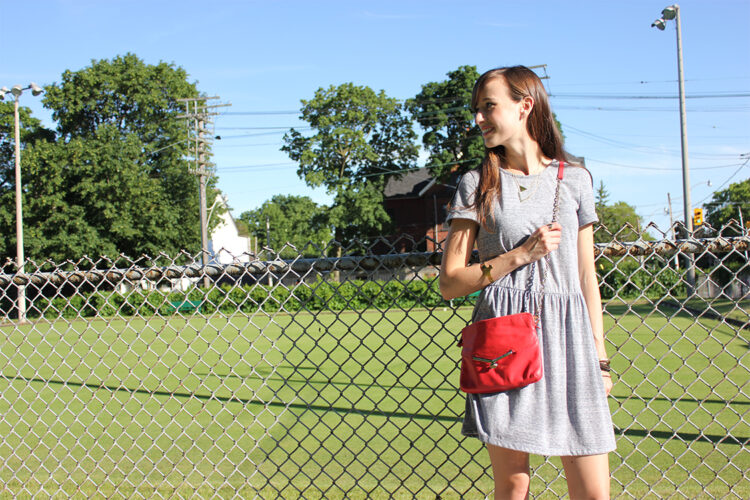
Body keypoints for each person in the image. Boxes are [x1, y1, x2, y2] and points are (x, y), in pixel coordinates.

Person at [439, 66, 616, 500]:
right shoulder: (476, 183)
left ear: (525, 105)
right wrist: (518, 256)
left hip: (571, 341)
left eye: (488, 107)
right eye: (476, 110)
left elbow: (585, 277)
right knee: (514, 485)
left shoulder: (574, 179)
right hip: (505, 339)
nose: (478, 119)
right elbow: (450, 282)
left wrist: (600, 360)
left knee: (593, 491)